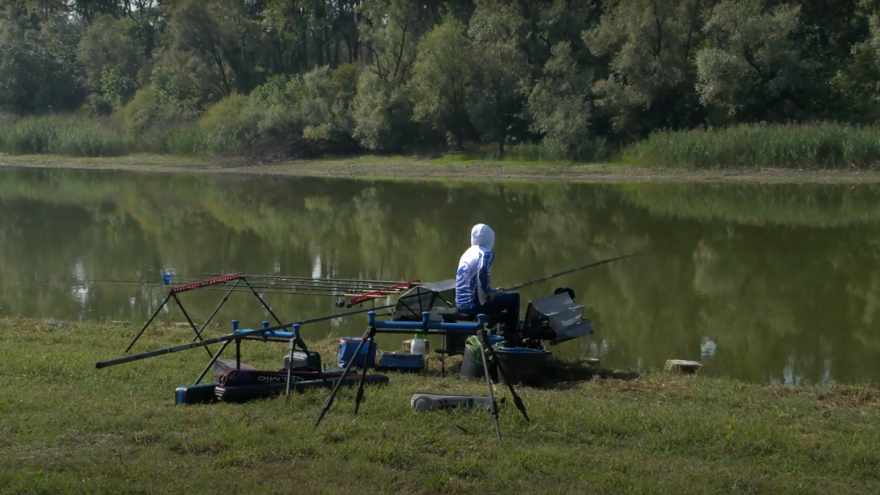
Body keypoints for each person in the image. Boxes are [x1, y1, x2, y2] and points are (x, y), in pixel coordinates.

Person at [455, 224, 520, 332]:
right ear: (490, 238)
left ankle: (497, 328)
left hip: (461, 305)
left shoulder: (466, 254)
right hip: (475, 306)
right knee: (514, 298)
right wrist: (487, 291)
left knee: (502, 297)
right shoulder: (485, 253)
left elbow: (472, 282)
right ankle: (511, 333)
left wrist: (493, 291)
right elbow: (482, 270)